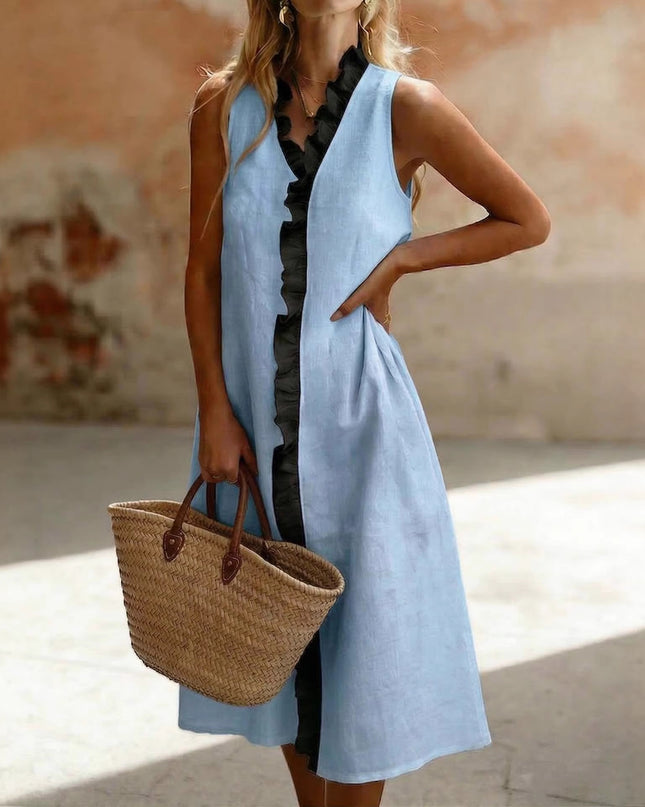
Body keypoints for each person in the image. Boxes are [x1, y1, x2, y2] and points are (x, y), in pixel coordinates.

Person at [178, 1, 551, 805]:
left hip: (361, 424)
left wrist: (403, 260)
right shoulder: (222, 105)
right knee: (277, 634)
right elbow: (202, 268)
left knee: (360, 645)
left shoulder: (405, 107)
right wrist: (214, 409)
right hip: (251, 424)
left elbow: (526, 220)